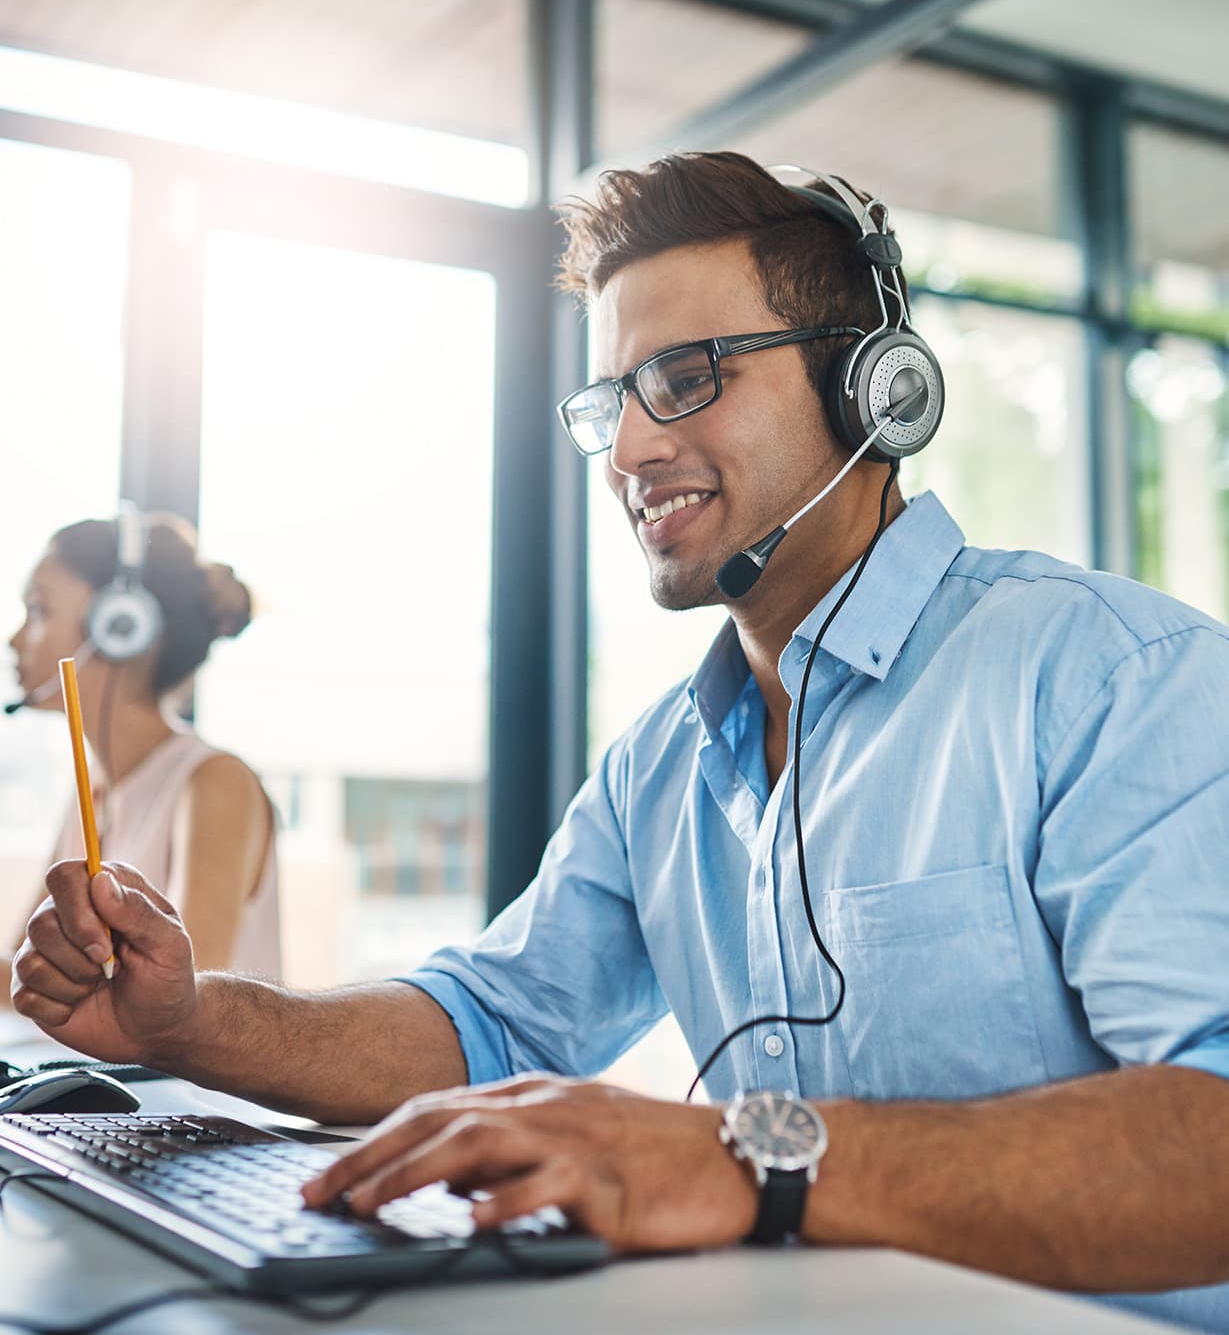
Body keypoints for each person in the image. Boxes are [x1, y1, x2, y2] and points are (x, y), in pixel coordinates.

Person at [11, 154, 1229, 1330]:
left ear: (874, 389)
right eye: (615, 400)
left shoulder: (1107, 676)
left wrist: (739, 1160)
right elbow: (486, 1024)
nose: (635, 449)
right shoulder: (663, 762)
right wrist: (192, 1023)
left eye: (691, 375)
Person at [5, 510, 281, 988]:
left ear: (117, 625)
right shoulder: (94, 787)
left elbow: (184, 997)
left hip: (183, 1069)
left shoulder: (216, 782)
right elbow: (23, 971)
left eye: (39, 610)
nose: (13, 640)